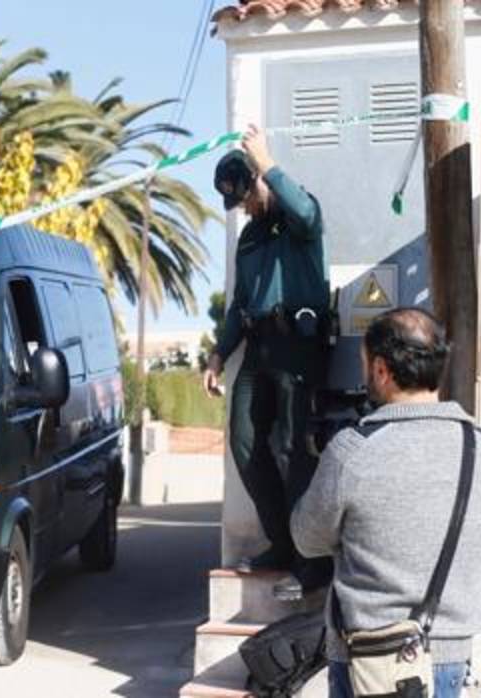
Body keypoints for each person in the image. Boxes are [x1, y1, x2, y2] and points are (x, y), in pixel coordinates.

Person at [291, 308, 481, 698]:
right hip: (450, 660)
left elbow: (307, 539)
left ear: (380, 369)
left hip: (369, 662)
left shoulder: (353, 452)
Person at [203, 124, 332, 596]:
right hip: (258, 350)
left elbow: (304, 212)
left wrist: (267, 161)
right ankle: (280, 542)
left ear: (259, 179)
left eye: (247, 197)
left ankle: (309, 561)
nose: (245, 209)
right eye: (236, 205)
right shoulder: (251, 237)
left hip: (299, 347)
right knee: (244, 443)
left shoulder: (301, 217)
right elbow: (240, 302)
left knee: (297, 453)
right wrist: (219, 354)